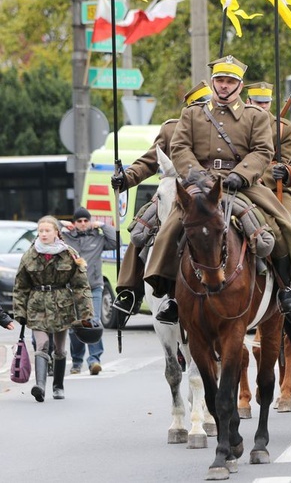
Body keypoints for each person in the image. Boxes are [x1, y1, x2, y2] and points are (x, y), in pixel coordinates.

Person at [145, 55, 291, 321]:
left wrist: (241, 174)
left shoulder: (255, 116)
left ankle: (286, 290)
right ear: (213, 83)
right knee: (171, 228)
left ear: (240, 85)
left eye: (230, 81)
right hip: (199, 184)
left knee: (278, 224)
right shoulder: (191, 114)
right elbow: (179, 148)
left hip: (242, 184)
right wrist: (197, 175)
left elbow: (263, 150)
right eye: (220, 81)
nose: (224, 86)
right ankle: (170, 294)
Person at [111, 81, 214, 320]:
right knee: (140, 229)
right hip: (176, 191)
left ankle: (279, 288)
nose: (204, 111)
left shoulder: (224, 128)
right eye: (199, 107)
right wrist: (126, 178)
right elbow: (148, 162)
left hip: (213, 190)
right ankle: (130, 291)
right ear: (188, 110)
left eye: (207, 106)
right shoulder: (171, 129)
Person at [13, 216, 94, 401]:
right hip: (37, 305)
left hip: (62, 305)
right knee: (42, 344)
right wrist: (20, 311)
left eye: (47, 231)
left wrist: (86, 312)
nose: (43, 234)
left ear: (57, 232)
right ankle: (40, 386)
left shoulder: (69, 254)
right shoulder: (29, 254)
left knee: (59, 348)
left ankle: (58, 386)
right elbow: (20, 285)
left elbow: (81, 285)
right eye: (40, 231)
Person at [60, 207, 117, 375]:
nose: (83, 224)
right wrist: (62, 224)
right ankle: (77, 362)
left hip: (94, 287)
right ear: (74, 223)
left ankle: (94, 361)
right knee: (75, 326)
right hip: (72, 289)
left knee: (93, 323)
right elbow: (48, 232)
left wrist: (102, 225)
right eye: (79, 221)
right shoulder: (66, 239)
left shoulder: (98, 238)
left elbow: (114, 241)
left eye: (86, 220)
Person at [246, 81, 291, 211]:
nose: (263, 106)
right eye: (258, 102)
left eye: (266, 102)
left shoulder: (284, 128)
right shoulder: (238, 125)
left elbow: (284, 164)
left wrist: (261, 177)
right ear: (248, 101)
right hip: (241, 182)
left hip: (273, 187)